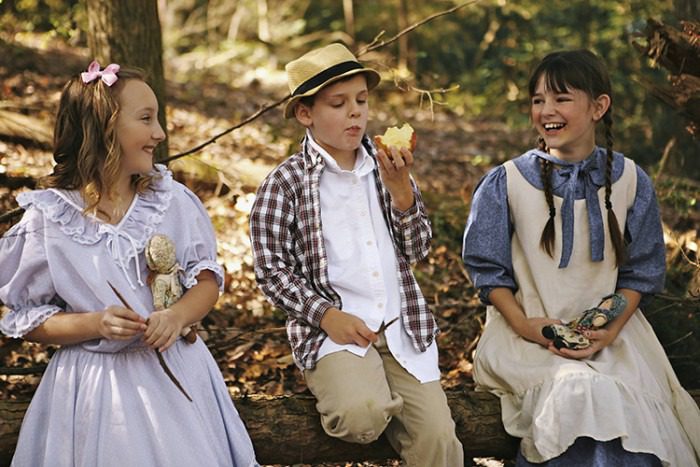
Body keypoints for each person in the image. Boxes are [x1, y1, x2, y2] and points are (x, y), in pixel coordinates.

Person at [0, 61, 259, 467]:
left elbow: (207, 279)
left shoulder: (171, 201)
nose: (160, 132)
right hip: (94, 387)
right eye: (146, 119)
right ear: (104, 128)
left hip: (178, 374)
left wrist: (176, 316)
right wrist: (95, 323)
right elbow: (29, 319)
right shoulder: (49, 220)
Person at [462, 49, 700, 466]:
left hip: (614, 336)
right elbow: (488, 273)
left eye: (561, 98)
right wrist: (526, 326)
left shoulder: (629, 180)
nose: (546, 110)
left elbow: (640, 273)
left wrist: (608, 329)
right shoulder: (507, 181)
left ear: (598, 106)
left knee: (626, 415)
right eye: (538, 100)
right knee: (578, 392)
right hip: (526, 335)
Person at [249, 43, 463, 466]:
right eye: (338, 103)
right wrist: (328, 316)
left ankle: (397, 401)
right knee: (361, 416)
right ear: (305, 114)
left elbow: (418, 248)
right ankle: (368, 391)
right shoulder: (285, 184)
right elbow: (273, 272)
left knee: (438, 441)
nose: (355, 113)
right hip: (334, 330)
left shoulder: (386, 166)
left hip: (401, 327)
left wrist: (402, 192)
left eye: (362, 101)